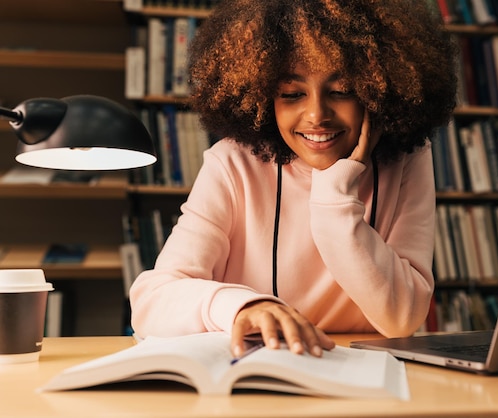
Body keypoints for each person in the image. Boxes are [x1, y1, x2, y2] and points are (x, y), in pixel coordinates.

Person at [129, 0, 457, 359]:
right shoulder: (233, 163)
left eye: (342, 90)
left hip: (364, 382)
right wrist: (244, 308)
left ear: (377, 92)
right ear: (264, 96)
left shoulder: (408, 161)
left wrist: (334, 196)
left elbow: (401, 318)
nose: (316, 114)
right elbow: (151, 301)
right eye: (292, 94)